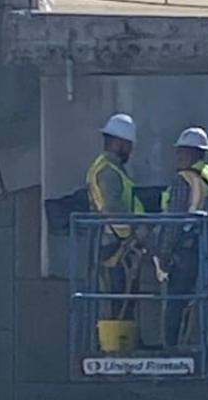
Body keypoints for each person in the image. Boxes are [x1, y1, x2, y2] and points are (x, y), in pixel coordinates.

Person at [160, 127, 208, 349]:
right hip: (207, 253)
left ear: (193, 153)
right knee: (203, 303)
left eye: (181, 152)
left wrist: (164, 252)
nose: (177, 156)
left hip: (185, 252)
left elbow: (175, 221)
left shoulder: (184, 180)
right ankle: (202, 347)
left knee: (176, 304)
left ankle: (171, 350)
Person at [86, 113, 144, 324]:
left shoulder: (112, 168)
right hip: (115, 245)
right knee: (118, 301)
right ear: (119, 142)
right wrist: (138, 228)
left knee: (124, 301)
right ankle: (117, 340)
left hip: (117, 243)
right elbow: (112, 208)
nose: (131, 150)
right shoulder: (108, 171)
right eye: (129, 145)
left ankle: (125, 337)